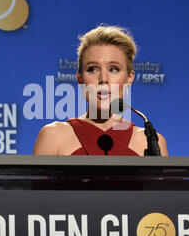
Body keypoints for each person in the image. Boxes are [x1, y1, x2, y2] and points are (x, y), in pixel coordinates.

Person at [33, 25, 168, 156]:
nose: (103, 79)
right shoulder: (52, 136)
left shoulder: (151, 142)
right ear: (80, 78)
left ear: (129, 78)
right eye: (92, 69)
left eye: (113, 69)